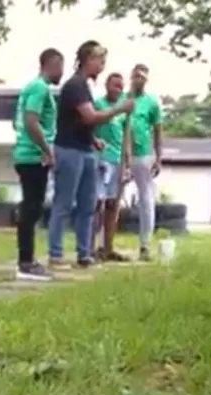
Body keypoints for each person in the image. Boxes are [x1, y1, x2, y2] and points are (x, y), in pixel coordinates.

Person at [47, 41, 134, 269]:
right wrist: (120, 109)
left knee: (88, 205)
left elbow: (80, 122)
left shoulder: (84, 87)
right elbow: (89, 117)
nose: (102, 66)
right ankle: (55, 254)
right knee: (64, 203)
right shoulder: (75, 85)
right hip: (69, 150)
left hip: (86, 150)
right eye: (100, 61)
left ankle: (84, 253)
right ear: (88, 59)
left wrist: (93, 139)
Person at [12, 48, 64, 281]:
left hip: (30, 155)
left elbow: (21, 123)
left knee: (31, 208)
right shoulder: (39, 88)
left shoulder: (34, 88)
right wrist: (47, 150)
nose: (61, 72)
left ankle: (27, 259)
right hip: (33, 157)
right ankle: (25, 262)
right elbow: (31, 121)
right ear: (50, 64)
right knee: (31, 209)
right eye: (60, 66)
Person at [92, 73, 131, 262]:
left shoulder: (125, 110)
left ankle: (108, 248)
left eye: (121, 87)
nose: (118, 89)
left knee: (113, 205)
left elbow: (126, 135)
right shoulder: (99, 105)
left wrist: (128, 161)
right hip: (100, 159)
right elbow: (91, 126)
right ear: (107, 85)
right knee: (96, 204)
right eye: (115, 85)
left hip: (117, 160)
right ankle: (90, 247)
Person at [127, 64, 163, 261]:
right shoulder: (123, 100)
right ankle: (103, 244)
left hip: (143, 155)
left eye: (142, 77)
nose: (138, 80)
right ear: (131, 78)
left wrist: (158, 158)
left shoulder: (151, 103)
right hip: (119, 153)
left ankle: (145, 245)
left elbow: (158, 132)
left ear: (146, 80)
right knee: (108, 200)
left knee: (146, 199)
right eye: (136, 76)